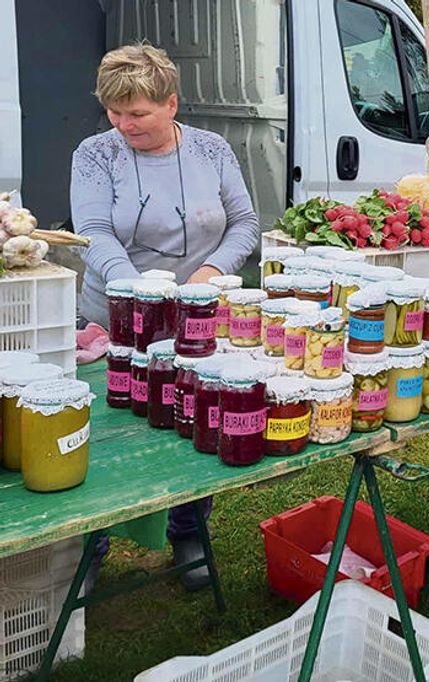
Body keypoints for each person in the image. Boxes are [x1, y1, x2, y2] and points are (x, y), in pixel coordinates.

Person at [70, 43, 259, 590]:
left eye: (138, 113)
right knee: (106, 435)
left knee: (195, 420)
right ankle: (92, 546)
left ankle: (188, 529)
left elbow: (243, 223)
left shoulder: (212, 150)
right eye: (114, 112)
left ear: (171, 103)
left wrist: (211, 272)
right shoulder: (95, 154)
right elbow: (93, 232)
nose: (124, 124)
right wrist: (137, 291)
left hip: (196, 320)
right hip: (114, 320)